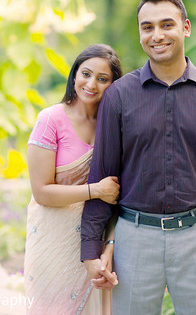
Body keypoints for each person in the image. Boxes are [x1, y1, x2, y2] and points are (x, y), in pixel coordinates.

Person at [81, 0, 196, 315]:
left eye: (166, 25)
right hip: (135, 238)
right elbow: (103, 176)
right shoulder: (118, 97)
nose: (157, 35)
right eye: (147, 27)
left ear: (185, 28)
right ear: (140, 34)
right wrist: (91, 249)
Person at [24, 44, 123, 315]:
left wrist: (110, 245)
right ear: (74, 75)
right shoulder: (50, 120)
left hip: (97, 242)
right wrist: (95, 190)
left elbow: (120, 195)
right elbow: (42, 192)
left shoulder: (114, 124)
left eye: (103, 79)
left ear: (114, 84)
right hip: (53, 243)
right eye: (86, 74)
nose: (91, 84)